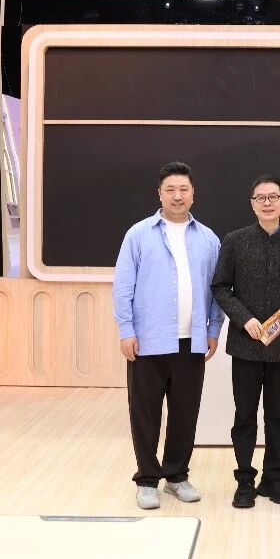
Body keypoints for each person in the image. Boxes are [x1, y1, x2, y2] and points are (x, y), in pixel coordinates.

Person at [113, 161, 223, 511]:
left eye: (183, 189)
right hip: (148, 340)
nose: (177, 196)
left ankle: (176, 476)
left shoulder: (209, 239)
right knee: (145, 413)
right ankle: (147, 480)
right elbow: (123, 286)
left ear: (193, 193)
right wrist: (126, 330)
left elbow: (218, 288)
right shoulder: (138, 234)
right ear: (159, 194)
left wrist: (213, 329)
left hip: (192, 342)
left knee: (184, 413)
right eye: (170, 190)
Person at [211, 175, 280, 508]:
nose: (267, 203)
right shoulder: (235, 241)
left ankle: (274, 478)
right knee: (244, 415)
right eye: (260, 198)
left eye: (273, 197)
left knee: (276, 415)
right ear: (252, 204)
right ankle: (244, 479)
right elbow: (221, 287)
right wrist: (245, 319)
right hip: (245, 346)